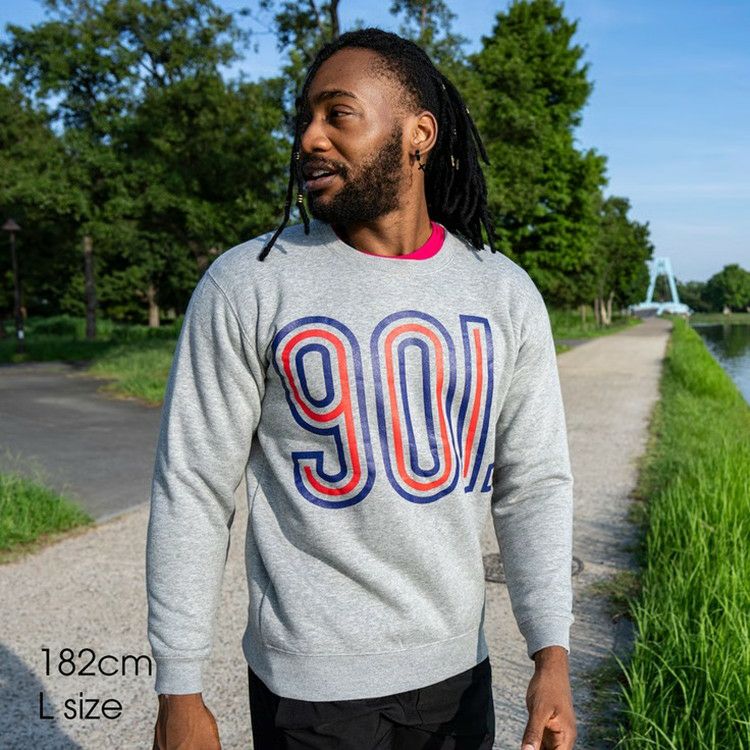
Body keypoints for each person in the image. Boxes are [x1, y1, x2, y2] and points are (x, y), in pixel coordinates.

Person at [147, 27, 576, 750]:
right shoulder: (250, 283)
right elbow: (192, 487)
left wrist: (550, 657)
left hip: (459, 678)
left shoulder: (501, 290)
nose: (309, 138)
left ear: (418, 134)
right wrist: (178, 689)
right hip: (310, 691)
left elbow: (534, 483)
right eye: (305, 118)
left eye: (337, 114)